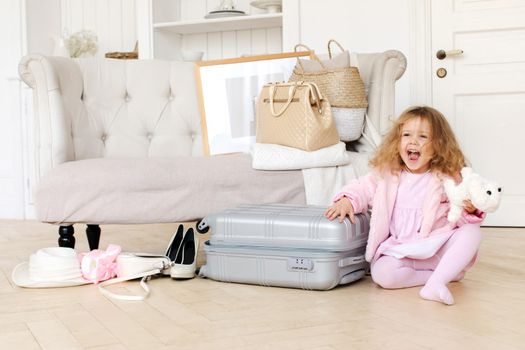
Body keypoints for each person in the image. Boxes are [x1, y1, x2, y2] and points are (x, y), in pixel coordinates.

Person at [325, 106, 484, 305]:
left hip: (436, 245)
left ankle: (437, 284)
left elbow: (457, 213)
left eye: (423, 136)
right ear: (397, 142)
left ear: (438, 146)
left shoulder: (445, 177)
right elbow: (362, 188)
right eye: (406, 134)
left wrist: (469, 209)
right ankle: (441, 276)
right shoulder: (387, 175)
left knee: (472, 232)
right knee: (382, 275)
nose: (413, 141)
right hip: (402, 248)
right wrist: (347, 199)